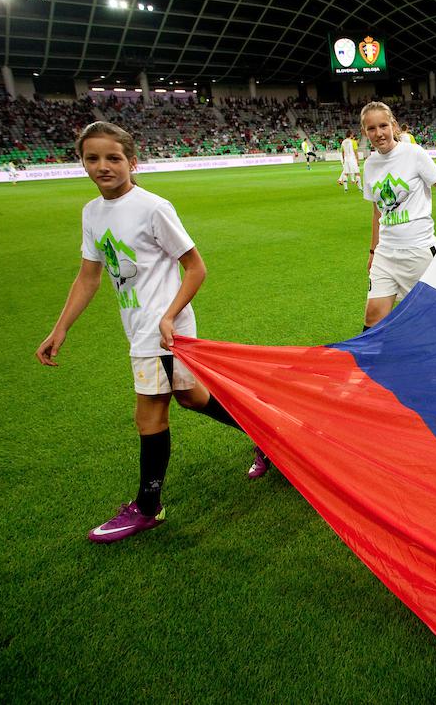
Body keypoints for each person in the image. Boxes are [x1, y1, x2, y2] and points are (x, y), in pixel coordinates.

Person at [35, 121, 268, 544]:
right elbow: (88, 276)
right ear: (82, 162)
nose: (103, 166)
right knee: (193, 398)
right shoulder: (92, 212)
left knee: (149, 416)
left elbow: (196, 267)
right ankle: (268, 437)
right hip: (141, 326)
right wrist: (60, 328)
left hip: (161, 329)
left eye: (113, 157)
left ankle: (147, 507)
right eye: (92, 158)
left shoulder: (152, 206)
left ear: (132, 161)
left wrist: (169, 316)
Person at [359, 102, 436, 330]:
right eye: (371, 129)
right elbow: (377, 211)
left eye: (383, 125)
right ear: (365, 132)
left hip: (419, 251)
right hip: (386, 254)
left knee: (435, 318)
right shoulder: (370, 165)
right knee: (373, 317)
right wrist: (373, 251)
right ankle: (375, 365)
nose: (378, 133)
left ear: (393, 125)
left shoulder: (414, 154)